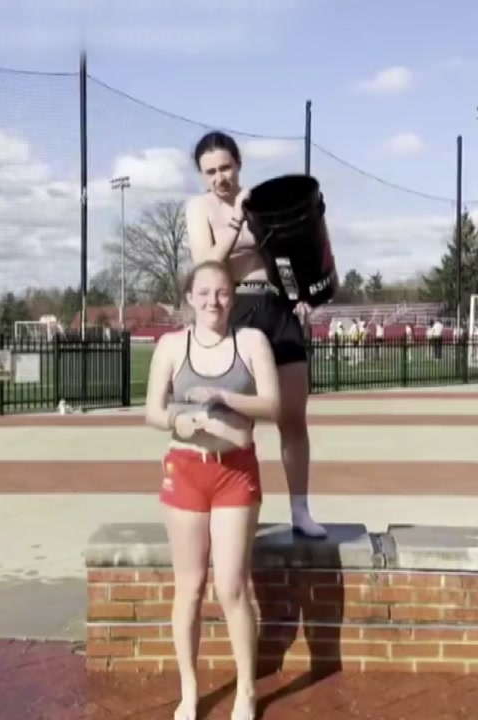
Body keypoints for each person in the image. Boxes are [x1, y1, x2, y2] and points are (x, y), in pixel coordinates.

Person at [144, 260, 282, 720]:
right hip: (186, 469)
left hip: (234, 473)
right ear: (189, 297)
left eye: (222, 292)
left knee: (231, 586)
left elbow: (273, 405)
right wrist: (178, 419)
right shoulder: (172, 345)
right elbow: (152, 410)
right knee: (189, 586)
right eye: (203, 293)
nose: (213, 301)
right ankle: (189, 688)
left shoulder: (251, 341)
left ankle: (246, 689)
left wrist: (223, 398)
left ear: (233, 297)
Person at [185, 130, 328, 539]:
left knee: (292, 416)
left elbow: (291, 253)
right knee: (234, 418)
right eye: (211, 172)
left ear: (239, 164)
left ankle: (300, 509)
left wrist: (302, 294)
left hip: (277, 306)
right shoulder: (200, 208)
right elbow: (207, 266)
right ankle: (233, 509)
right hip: (236, 308)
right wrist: (236, 223)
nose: (220, 177)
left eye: (226, 167)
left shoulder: (260, 201)